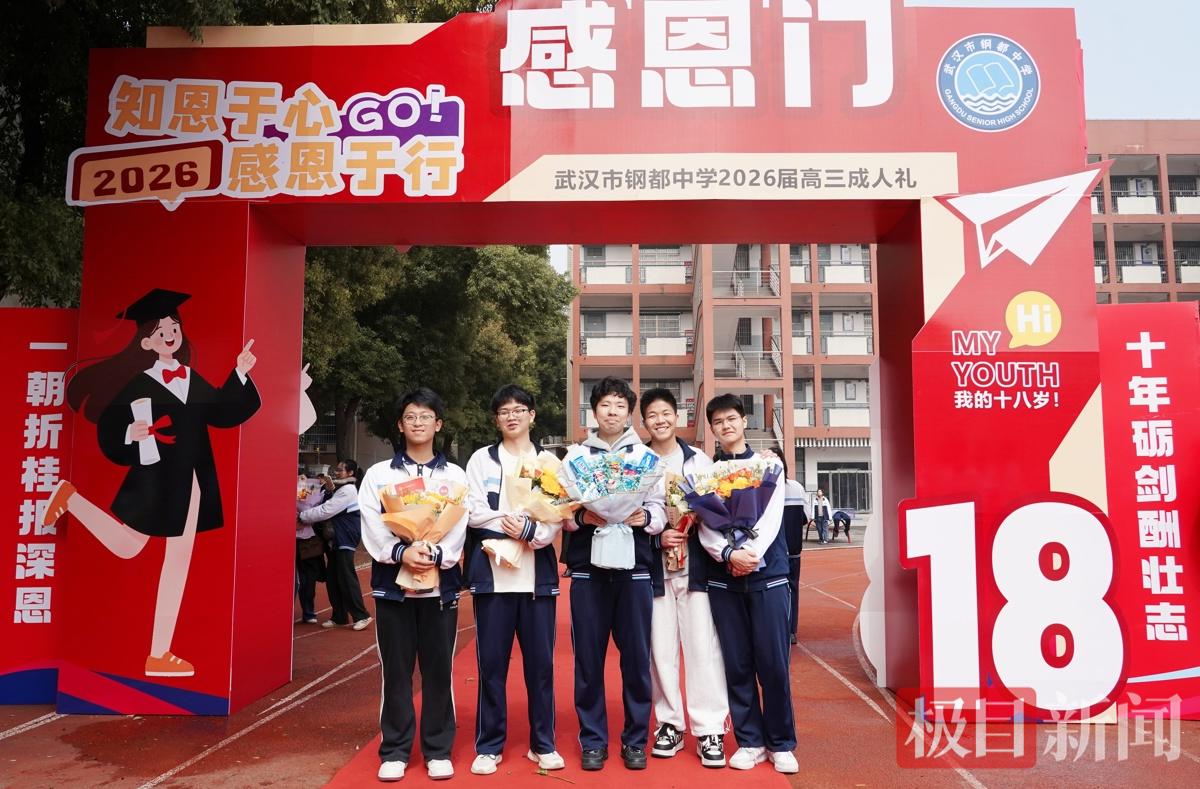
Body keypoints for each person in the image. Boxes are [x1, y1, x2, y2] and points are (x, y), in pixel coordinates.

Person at [42, 288, 259, 678]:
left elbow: (222, 412)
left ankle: (159, 653)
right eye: (160, 331)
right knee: (134, 548)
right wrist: (132, 431)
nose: (170, 335)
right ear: (146, 342)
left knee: (174, 559)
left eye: (174, 327)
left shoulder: (189, 378)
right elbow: (109, 429)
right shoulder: (140, 384)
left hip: (192, 479)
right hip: (157, 476)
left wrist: (240, 372)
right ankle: (72, 500)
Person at [359, 388, 469, 782]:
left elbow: (459, 524)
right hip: (394, 588)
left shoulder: (455, 475)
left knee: (439, 671)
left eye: (425, 416)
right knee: (396, 671)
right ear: (400, 425)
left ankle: (438, 749)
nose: (418, 423)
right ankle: (395, 750)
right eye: (410, 416)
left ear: (438, 424)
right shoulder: (379, 474)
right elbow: (371, 522)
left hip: (441, 589)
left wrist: (437, 554)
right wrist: (399, 552)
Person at [559, 377, 666, 771]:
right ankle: (593, 740)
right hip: (588, 571)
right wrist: (580, 517)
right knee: (588, 659)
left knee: (635, 659)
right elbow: (561, 510)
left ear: (629, 413)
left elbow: (661, 508)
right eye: (605, 404)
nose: (612, 411)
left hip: (634, 570)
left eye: (620, 405)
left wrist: (646, 517)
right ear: (594, 410)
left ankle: (635, 740)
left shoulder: (646, 458)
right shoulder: (574, 458)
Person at [464, 385, 565, 775]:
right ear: (496, 419)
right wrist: (513, 522)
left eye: (519, 409)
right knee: (491, 665)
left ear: (532, 415)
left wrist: (532, 532)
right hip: (493, 578)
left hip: (536, 579)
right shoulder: (481, 460)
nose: (512, 416)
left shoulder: (549, 462)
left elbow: (556, 517)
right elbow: (473, 512)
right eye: (504, 411)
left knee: (541, 667)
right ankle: (489, 745)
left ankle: (543, 743)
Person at [697, 394, 798, 774]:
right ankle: (750, 741)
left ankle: (781, 743)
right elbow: (705, 524)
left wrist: (748, 554)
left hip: (767, 575)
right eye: (718, 421)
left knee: (773, 663)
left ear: (744, 421)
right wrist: (728, 555)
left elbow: (771, 518)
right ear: (712, 429)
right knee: (737, 663)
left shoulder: (769, 465)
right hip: (725, 580)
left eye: (731, 419)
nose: (725, 426)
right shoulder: (706, 475)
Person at [641, 388, 729, 768]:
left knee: (702, 649)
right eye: (652, 415)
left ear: (677, 417)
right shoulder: (638, 462)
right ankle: (670, 724)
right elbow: (628, 515)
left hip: (695, 569)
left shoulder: (699, 461)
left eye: (665, 413)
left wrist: (694, 521)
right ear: (644, 422)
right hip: (653, 570)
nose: (660, 420)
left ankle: (709, 728)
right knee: (660, 650)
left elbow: (718, 512)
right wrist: (657, 536)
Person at [300, 460, 372, 630]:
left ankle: (362, 615)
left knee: (346, 578)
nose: (336, 472)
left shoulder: (348, 490)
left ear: (350, 473)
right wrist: (322, 489)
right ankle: (339, 616)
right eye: (336, 469)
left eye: (340, 470)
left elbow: (327, 510)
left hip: (344, 539)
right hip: (335, 541)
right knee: (333, 579)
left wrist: (302, 516)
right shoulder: (338, 488)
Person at [776, 454, 807, 645]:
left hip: (775, 552)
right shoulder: (797, 487)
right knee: (792, 589)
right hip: (794, 549)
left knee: (775, 591)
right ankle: (791, 630)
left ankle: (780, 630)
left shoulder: (765, 490)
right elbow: (805, 518)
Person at [295, 475, 327, 624]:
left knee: (308, 579)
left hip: (308, 541)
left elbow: (313, 508)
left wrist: (306, 517)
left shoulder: (310, 490)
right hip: (293, 540)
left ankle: (308, 612)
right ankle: (305, 612)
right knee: (298, 579)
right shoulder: (296, 488)